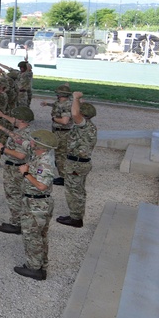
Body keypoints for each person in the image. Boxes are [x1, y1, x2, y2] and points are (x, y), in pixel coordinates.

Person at [1, 130, 58, 280]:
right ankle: (41, 265)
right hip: (36, 202)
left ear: (40, 145)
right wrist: (3, 127)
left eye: (34, 141)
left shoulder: (44, 162)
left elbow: (41, 186)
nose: (30, 142)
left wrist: (26, 173)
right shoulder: (39, 154)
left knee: (32, 236)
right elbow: (22, 141)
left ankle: (34, 268)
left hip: (36, 204)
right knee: (40, 235)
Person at [0, 106, 35, 234]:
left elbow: (21, 155)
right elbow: (14, 129)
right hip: (16, 167)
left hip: (15, 168)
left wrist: (2, 149)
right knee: (17, 195)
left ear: (20, 120)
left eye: (15, 117)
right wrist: (3, 116)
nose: (13, 119)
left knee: (14, 196)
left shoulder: (23, 134)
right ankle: (18, 221)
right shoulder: (26, 130)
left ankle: (16, 224)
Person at [57, 93, 97, 228]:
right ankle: (75, 216)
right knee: (78, 190)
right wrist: (79, 101)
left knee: (74, 192)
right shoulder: (88, 125)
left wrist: (74, 98)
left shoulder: (84, 125)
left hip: (76, 164)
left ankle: (76, 219)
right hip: (79, 163)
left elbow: (74, 114)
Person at [41, 84, 73, 185]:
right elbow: (57, 106)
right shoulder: (63, 103)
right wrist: (48, 104)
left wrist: (54, 119)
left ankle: (63, 177)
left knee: (60, 155)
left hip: (62, 132)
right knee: (60, 154)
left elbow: (65, 121)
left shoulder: (66, 105)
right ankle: (64, 174)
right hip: (59, 131)